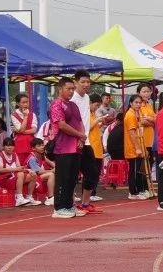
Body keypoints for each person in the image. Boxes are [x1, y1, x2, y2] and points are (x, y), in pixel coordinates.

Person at [48, 76, 88, 218]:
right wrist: (80, 135)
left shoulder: (73, 105)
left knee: (72, 178)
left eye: (72, 89)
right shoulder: (56, 104)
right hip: (62, 147)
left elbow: (80, 122)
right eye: (68, 89)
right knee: (63, 178)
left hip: (75, 147)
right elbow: (61, 125)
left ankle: (69, 205)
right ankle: (59, 208)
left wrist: (82, 138)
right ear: (60, 89)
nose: (71, 91)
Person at [72, 70, 109, 213]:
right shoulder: (72, 98)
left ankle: (85, 203)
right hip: (74, 142)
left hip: (86, 141)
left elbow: (85, 120)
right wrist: (78, 137)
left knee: (92, 172)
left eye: (88, 82)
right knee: (72, 175)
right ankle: (70, 204)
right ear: (76, 82)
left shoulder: (87, 98)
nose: (86, 84)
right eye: (83, 82)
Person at [121, 94, 152, 200]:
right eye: (136, 103)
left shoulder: (136, 114)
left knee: (138, 170)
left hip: (138, 146)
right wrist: (138, 148)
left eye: (140, 103)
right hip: (132, 148)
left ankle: (138, 190)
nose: (138, 105)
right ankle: (133, 192)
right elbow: (132, 133)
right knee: (133, 171)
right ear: (130, 103)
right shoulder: (130, 115)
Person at [0, 136, 39, 206]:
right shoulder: (0, 156)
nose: (10, 147)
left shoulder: (14, 155)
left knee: (33, 175)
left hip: (14, 177)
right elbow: (1, 170)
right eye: (7, 145)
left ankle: (29, 197)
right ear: (3, 147)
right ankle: (19, 198)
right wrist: (16, 169)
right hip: (3, 179)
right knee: (20, 174)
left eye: (12, 145)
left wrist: (29, 170)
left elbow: (19, 168)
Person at [27, 140, 55, 204]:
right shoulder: (32, 158)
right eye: (39, 146)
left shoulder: (41, 155)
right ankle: (50, 197)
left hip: (38, 177)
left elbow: (51, 162)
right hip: (33, 178)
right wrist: (52, 170)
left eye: (42, 145)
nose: (42, 147)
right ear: (33, 148)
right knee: (51, 174)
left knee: (56, 173)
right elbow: (38, 172)